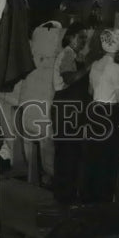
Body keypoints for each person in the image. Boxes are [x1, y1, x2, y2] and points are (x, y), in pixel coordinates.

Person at [82, 28, 119, 204]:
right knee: (108, 159)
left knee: (93, 156)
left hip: (94, 110)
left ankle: (90, 199)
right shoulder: (116, 69)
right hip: (109, 113)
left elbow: (90, 90)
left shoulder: (94, 65)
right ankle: (104, 203)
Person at [51, 22, 90, 205]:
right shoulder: (67, 54)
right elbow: (70, 78)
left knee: (71, 152)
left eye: (85, 38)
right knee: (66, 152)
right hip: (65, 108)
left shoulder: (76, 55)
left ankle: (66, 195)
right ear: (70, 37)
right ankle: (64, 196)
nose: (84, 41)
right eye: (81, 37)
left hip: (73, 109)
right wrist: (89, 68)